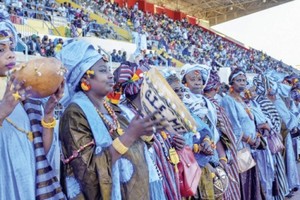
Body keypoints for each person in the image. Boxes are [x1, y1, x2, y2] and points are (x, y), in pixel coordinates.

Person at [57, 40, 161, 199]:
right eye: (103, 70)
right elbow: (88, 174)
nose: (111, 75)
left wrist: (147, 131)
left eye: (109, 70)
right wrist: (130, 135)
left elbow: (138, 148)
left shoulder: (114, 109)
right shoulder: (74, 115)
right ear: (85, 80)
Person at [0, 11, 65, 199]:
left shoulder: (23, 92)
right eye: (1, 50)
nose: (11, 55)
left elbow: (42, 151)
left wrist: (48, 113)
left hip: (28, 181)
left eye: (11, 47)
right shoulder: (12, 96)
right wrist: (3, 110)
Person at [108, 61, 183, 200]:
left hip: (162, 178)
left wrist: (172, 142)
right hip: (143, 184)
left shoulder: (151, 111)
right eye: (154, 85)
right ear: (142, 87)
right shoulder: (124, 114)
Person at [221, 68, 263, 200]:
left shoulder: (241, 99)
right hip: (240, 148)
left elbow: (250, 121)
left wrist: (256, 137)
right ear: (231, 83)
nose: (242, 83)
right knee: (243, 182)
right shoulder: (228, 100)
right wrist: (250, 140)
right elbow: (234, 126)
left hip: (250, 146)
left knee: (252, 181)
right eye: (238, 80)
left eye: (244, 80)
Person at [203, 71, 241, 200]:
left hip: (221, 155)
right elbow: (220, 133)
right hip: (214, 157)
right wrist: (223, 158)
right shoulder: (208, 104)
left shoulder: (211, 103)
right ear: (217, 87)